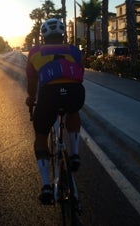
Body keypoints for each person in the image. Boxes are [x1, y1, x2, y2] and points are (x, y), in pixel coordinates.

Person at [25, 18, 85, 205]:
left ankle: (46, 186)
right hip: (75, 93)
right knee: (73, 111)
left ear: (44, 35)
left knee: (41, 135)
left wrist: (32, 99)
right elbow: (80, 73)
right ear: (63, 35)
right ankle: (74, 153)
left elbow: (32, 82)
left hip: (49, 95)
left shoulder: (35, 52)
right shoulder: (74, 50)